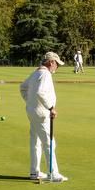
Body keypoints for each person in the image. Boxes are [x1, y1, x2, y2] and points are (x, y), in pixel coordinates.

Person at [19, 52, 68, 182]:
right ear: (51, 62)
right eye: (57, 64)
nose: (57, 66)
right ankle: (53, 173)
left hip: (32, 111)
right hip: (41, 113)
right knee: (49, 142)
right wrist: (50, 107)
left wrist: (30, 102)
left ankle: (34, 172)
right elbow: (40, 92)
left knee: (36, 141)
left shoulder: (36, 72)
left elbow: (23, 88)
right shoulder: (45, 74)